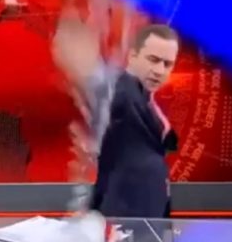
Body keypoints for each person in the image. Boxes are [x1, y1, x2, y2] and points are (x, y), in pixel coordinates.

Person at [53, 15, 179, 219]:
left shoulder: (146, 102)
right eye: (153, 60)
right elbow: (99, 83)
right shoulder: (119, 93)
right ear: (133, 56)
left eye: (167, 64)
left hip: (148, 220)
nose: (159, 71)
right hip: (124, 221)